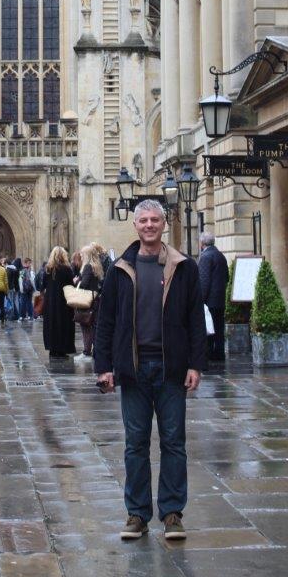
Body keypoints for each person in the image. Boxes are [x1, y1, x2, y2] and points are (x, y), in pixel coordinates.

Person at [94, 199, 206, 542]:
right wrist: (104, 368)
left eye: (154, 220)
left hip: (171, 368)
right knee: (135, 444)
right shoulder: (119, 269)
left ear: (163, 225)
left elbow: (195, 320)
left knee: (174, 443)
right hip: (133, 369)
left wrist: (196, 365)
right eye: (143, 220)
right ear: (135, 226)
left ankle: (172, 513)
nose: (149, 225)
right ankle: (137, 515)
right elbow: (106, 322)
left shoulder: (183, 266)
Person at [198, 232, 229, 363]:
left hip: (210, 300)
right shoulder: (220, 255)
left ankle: (210, 353)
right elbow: (227, 277)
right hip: (220, 298)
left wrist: (200, 300)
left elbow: (204, 280)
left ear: (202, 243)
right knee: (219, 328)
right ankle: (219, 353)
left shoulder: (206, 257)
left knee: (209, 329)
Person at [42, 246, 76, 358]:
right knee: (63, 324)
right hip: (63, 301)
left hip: (50, 301)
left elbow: (42, 285)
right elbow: (71, 284)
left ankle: (52, 348)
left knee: (51, 324)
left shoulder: (48, 269)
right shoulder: (66, 269)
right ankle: (62, 349)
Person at [75, 243, 104, 359]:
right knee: (92, 327)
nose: (81, 256)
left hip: (86, 302)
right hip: (94, 301)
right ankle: (92, 352)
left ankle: (87, 353)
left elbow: (84, 284)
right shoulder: (96, 266)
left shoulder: (87, 267)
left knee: (86, 327)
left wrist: (77, 281)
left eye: (82, 254)